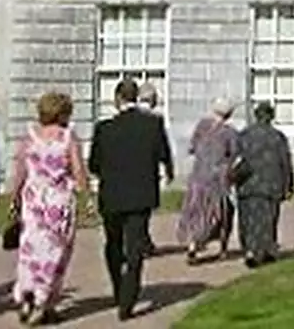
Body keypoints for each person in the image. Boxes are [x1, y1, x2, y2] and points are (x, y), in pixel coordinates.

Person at [88, 78, 174, 321]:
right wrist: (167, 173)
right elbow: (164, 154)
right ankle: (129, 296)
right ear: (135, 97)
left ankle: (119, 288)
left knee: (113, 244)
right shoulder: (153, 124)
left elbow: (94, 164)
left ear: (117, 99)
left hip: (112, 194)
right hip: (141, 193)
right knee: (135, 246)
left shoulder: (104, 128)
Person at [7, 91, 89, 326]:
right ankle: (45, 301)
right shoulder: (67, 137)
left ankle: (27, 294)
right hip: (59, 201)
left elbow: (20, 170)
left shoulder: (30, 136)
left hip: (34, 200)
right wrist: (87, 197)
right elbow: (79, 171)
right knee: (56, 252)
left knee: (30, 250)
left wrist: (14, 198)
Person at [178, 97, 239, 263]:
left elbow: (192, 147)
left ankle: (193, 245)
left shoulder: (202, 125)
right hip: (217, 178)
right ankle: (222, 247)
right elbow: (234, 155)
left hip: (198, 175)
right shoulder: (230, 133)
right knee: (222, 213)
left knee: (195, 211)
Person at [234, 101, 294, 268]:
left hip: (247, 184)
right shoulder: (278, 137)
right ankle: (267, 249)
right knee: (269, 220)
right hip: (271, 185)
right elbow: (285, 162)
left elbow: (236, 160)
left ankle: (251, 250)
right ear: (271, 117)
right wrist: (289, 185)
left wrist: (233, 178)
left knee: (248, 220)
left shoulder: (244, 135)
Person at [134, 82, 162, 258]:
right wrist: (168, 167)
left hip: (128, 168)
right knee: (143, 211)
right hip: (147, 169)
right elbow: (161, 148)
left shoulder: (128, 115)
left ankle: (142, 240)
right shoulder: (155, 120)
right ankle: (142, 241)